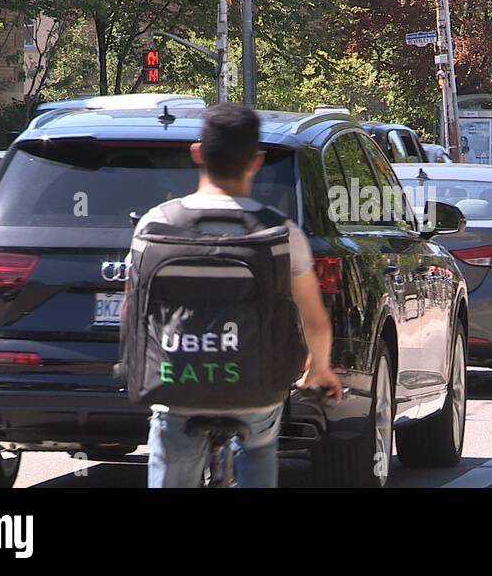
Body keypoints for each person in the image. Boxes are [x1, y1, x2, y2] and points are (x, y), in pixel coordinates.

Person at [133, 103, 342, 488]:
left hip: (175, 382)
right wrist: (319, 368)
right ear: (257, 161)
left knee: (170, 439)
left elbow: (135, 309)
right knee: (260, 441)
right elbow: (314, 318)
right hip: (255, 388)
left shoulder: (154, 224)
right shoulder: (281, 233)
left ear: (198, 153)